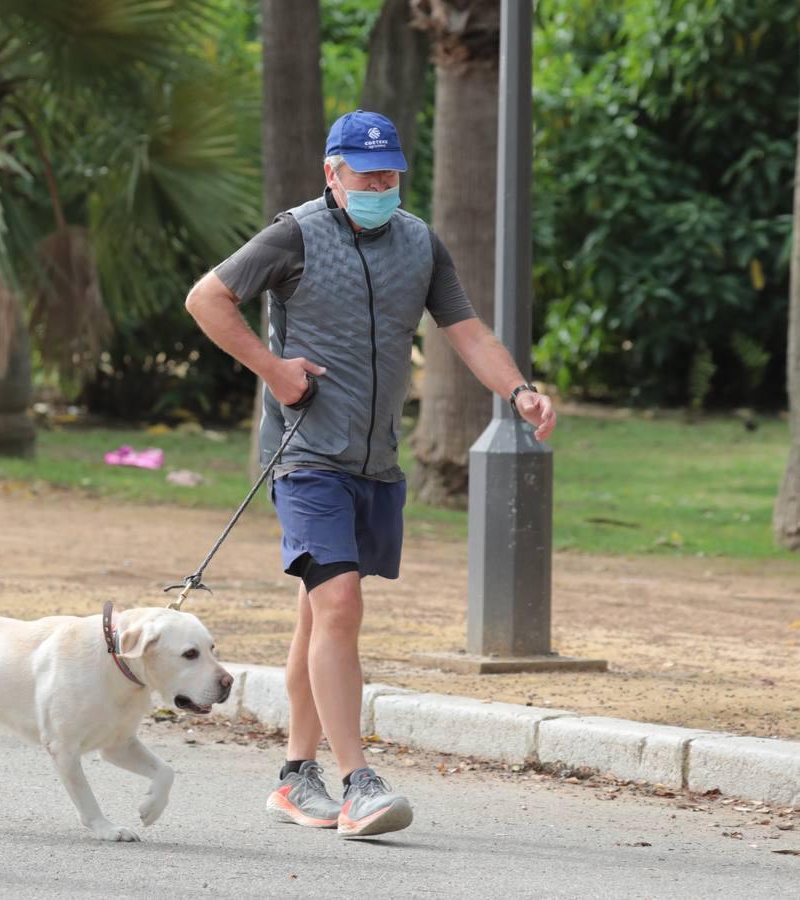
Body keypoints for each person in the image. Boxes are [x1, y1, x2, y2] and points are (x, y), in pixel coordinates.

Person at [184, 109, 557, 838]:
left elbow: (468, 331)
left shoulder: (419, 242)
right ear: (333, 172)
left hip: (375, 462)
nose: (382, 185)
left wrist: (519, 392)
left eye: (391, 174)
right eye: (366, 173)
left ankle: (296, 778)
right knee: (341, 607)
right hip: (306, 455)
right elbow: (208, 298)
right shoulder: (294, 234)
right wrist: (273, 370)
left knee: (319, 618)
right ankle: (358, 782)